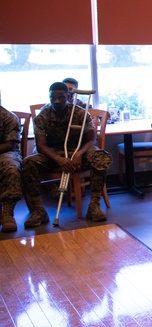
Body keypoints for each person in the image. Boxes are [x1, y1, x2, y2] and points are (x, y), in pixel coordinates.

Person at [22, 82, 111, 228]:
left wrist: (80, 153)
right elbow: (41, 145)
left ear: (69, 97)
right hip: (53, 154)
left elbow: (91, 140)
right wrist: (58, 159)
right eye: (53, 98)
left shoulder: (81, 114)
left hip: (78, 151)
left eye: (61, 98)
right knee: (29, 163)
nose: (56, 101)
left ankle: (94, 205)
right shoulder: (43, 115)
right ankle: (39, 211)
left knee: (101, 157)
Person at [0, 96, 23, 232]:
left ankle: (7, 213)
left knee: (11, 168)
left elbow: (11, 144)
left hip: (5, 152)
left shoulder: (8, 117)